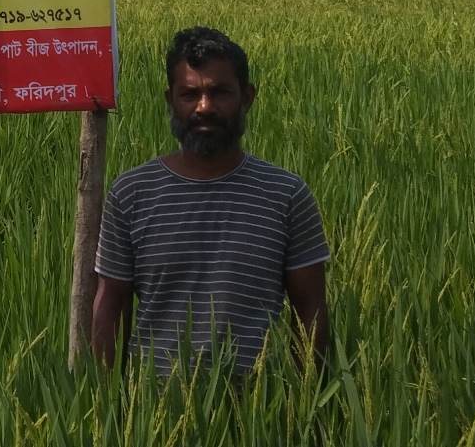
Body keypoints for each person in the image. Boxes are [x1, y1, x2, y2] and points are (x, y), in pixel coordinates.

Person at [91, 26, 329, 374]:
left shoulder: (287, 195)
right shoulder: (132, 194)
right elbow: (111, 306)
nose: (205, 107)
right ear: (170, 100)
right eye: (190, 94)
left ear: (247, 97)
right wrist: (106, 398)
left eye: (220, 93)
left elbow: (310, 312)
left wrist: (305, 398)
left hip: (257, 402)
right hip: (153, 402)